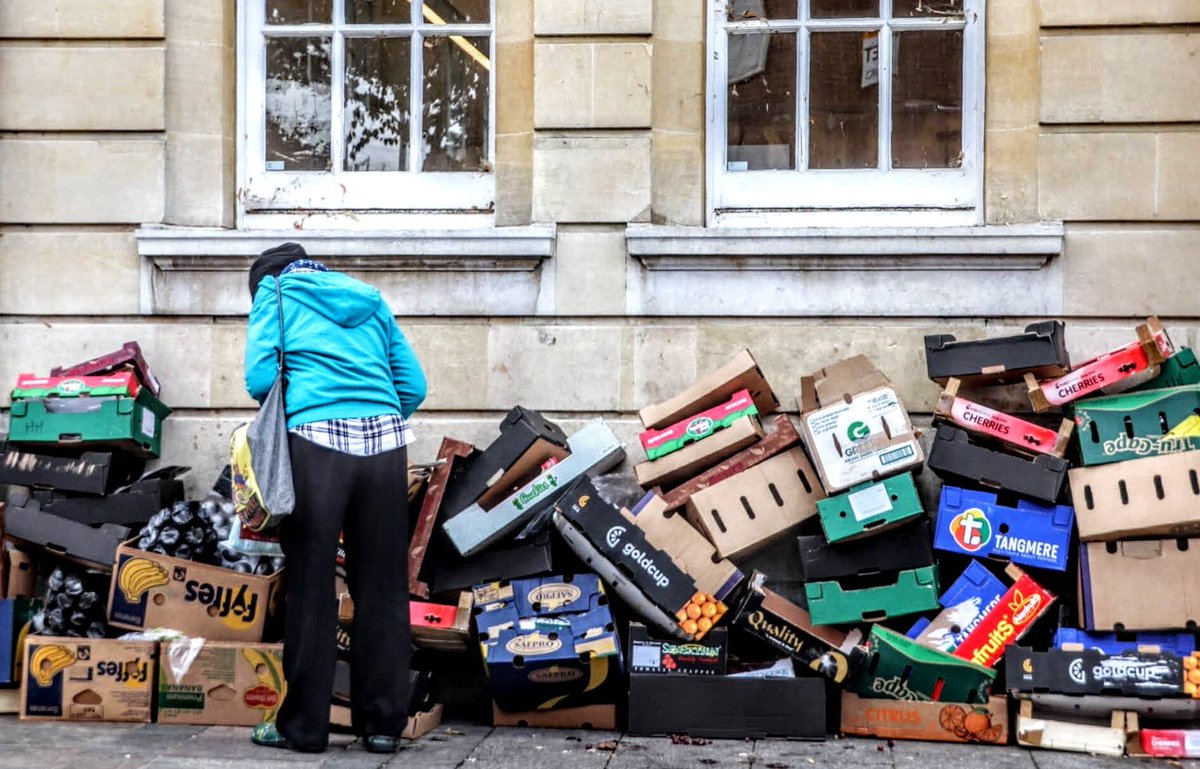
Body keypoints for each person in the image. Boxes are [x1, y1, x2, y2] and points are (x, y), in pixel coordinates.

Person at [243, 242, 427, 754]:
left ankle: (302, 728)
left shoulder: (275, 294)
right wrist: (373, 411)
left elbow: (259, 377)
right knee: (384, 586)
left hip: (317, 446)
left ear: (264, 281)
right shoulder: (369, 298)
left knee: (311, 586)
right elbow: (413, 385)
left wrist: (310, 404)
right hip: (386, 447)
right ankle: (385, 724)